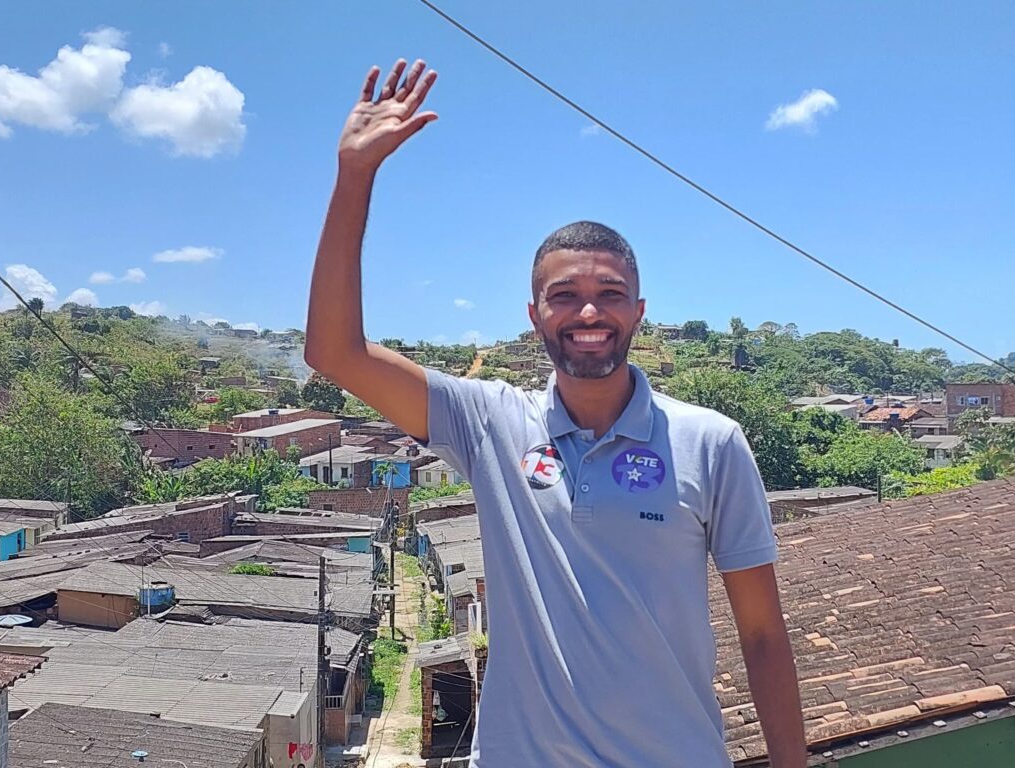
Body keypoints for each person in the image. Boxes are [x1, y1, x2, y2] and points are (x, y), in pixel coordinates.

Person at [306, 59, 807, 768]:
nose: (589, 311)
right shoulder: (488, 423)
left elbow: (762, 635)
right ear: (534, 314)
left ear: (639, 311)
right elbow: (334, 350)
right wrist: (354, 175)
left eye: (609, 291)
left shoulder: (710, 442)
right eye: (565, 294)